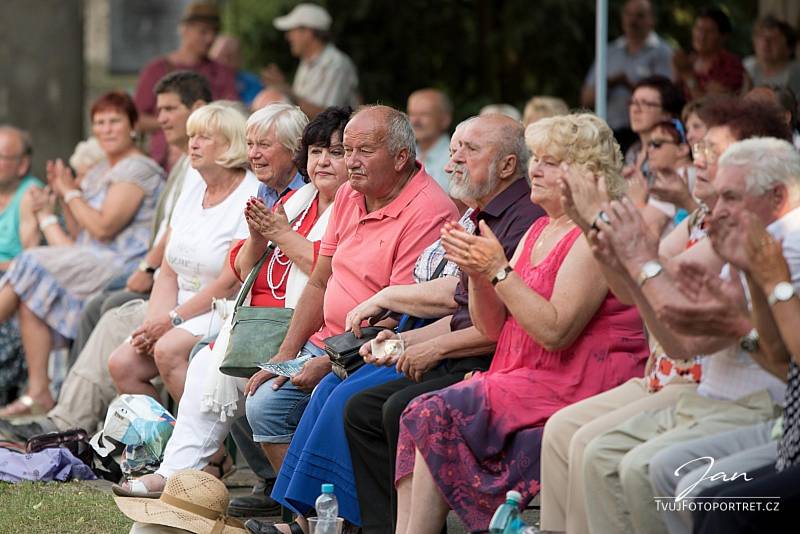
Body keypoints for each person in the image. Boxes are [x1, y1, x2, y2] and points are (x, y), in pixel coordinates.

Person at [266, 114, 543, 534]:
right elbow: (459, 301)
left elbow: (489, 325)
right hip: (423, 334)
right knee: (337, 394)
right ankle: (318, 519)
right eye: (453, 152)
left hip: (486, 356)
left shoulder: (516, 220)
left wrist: (411, 340)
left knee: (367, 404)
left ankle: (349, 522)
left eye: (468, 152)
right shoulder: (476, 214)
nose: (452, 163)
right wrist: (401, 337)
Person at [540, 97, 791, 534]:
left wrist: (611, 231)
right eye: (700, 147)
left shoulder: (773, 234)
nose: (701, 158)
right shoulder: (726, 221)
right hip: (700, 391)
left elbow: (677, 308)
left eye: (715, 149)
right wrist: (598, 228)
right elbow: (658, 309)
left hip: (749, 407)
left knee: (642, 468)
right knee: (583, 442)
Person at [392, 113, 649, 534]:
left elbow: (555, 331)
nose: (537, 169)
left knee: (434, 411)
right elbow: (493, 328)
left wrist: (496, 270)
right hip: (527, 372)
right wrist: (477, 273)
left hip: (578, 378)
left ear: (587, 173)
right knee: (417, 412)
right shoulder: (541, 228)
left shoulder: (591, 235)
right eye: (538, 159)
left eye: (552, 161)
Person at [111, 106, 351, 498]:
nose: (323, 160)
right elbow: (241, 266)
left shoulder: (349, 205)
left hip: (309, 333)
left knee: (233, 377)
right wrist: (260, 236)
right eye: (317, 151)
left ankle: (291, 497)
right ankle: (175, 472)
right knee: (208, 362)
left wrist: (279, 233)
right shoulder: (297, 201)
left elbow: (332, 273)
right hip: (260, 324)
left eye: (335, 152)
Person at [241, 105, 457, 534]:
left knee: (331, 396)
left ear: (400, 157)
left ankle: (331, 521)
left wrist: (326, 361)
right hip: (331, 340)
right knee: (273, 394)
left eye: (363, 151)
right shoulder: (348, 196)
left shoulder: (428, 209)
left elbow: (399, 317)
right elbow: (320, 281)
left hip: (380, 344)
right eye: (348, 150)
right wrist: (285, 354)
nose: (350, 161)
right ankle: (310, 518)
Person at [0, 91, 164, 418]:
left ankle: (41, 392)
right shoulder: (100, 168)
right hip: (91, 257)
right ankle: (39, 392)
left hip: (124, 264)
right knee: (31, 288)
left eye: (114, 121)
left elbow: (104, 228)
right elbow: (80, 234)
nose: (106, 129)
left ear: (133, 125)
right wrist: (57, 203)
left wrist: (70, 192)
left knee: (29, 262)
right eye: (99, 122)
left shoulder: (139, 168)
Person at [107, 102, 259, 403]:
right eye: (191, 136)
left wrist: (171, 321)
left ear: (230, 144)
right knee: (122, 364)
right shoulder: (193, 192)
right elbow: (167, 270)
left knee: (166, 350)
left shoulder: (250, 194)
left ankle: (206, 445)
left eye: (204, 137)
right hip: (177, 309)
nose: (193, 143)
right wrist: (155, 322)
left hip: (221, 309)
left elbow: (230, 281)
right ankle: (161, 443)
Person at [69, 71, 212, 365]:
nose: (161, 118)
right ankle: (65, 398)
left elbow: (104, 228)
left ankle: (70, 403)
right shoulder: (184, 162)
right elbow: (80, 234)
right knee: (87, 299)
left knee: (104, 303)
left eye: (170, 109)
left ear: (197, 109)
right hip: (155, 270)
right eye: (159, 110)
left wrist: (148, 268)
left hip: (164, 274)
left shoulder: (168, 167)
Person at [133, 1, 237, 169]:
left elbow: (233, 113)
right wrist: (175, 122)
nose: (210, 38)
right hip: (166, 161)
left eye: (214, 32)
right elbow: (136, 119)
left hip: (215, 159)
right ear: (184, 29)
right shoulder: (156, 70)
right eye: (203, 31)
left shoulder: (222, 72)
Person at [580, 0, 673, 150]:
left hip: (647, 135)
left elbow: (669, 99)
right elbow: (586, 99)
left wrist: (630, 86)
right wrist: (610, 83)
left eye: (640, 15)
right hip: (607, 132)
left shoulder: (663, 53)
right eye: (628, 14)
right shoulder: (608, 52)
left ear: (652, 19)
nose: (633, 20)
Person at [0, 125, 43, 404]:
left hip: (17, 286)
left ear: (22, 164)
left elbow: (32, 258)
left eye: (1, 157)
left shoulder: (31, 194)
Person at [264, 3, 359, 118]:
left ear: (308, 33)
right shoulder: (307, 61)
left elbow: (327, 117)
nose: (288, 37)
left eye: (292, 31)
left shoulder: (336, 64)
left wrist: (285, 90)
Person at [673, 7, 745, 99]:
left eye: (709, 31)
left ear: (723, 37)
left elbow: (711, 107)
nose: (702, 36)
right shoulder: (688, 60)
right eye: (698, 28)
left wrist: (688, 76)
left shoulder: (731, 65)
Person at [406, 88, 452, 191]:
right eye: (412, 114)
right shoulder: (406, 155)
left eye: (424, 114)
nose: (415, 121)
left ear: (445, 120)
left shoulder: (455, 159)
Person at [744, 16, 800, 97]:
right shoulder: (748, 66)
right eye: (761, 37)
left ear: (789, 48)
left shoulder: (796, 73)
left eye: (774, 39)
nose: (765, 43)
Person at [210, 34, 264, 108]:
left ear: (240, 58)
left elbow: (256, 106)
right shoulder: (203, 78)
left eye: (230, 57)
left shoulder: (251, 82)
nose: (225, 61)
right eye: (221, 56)